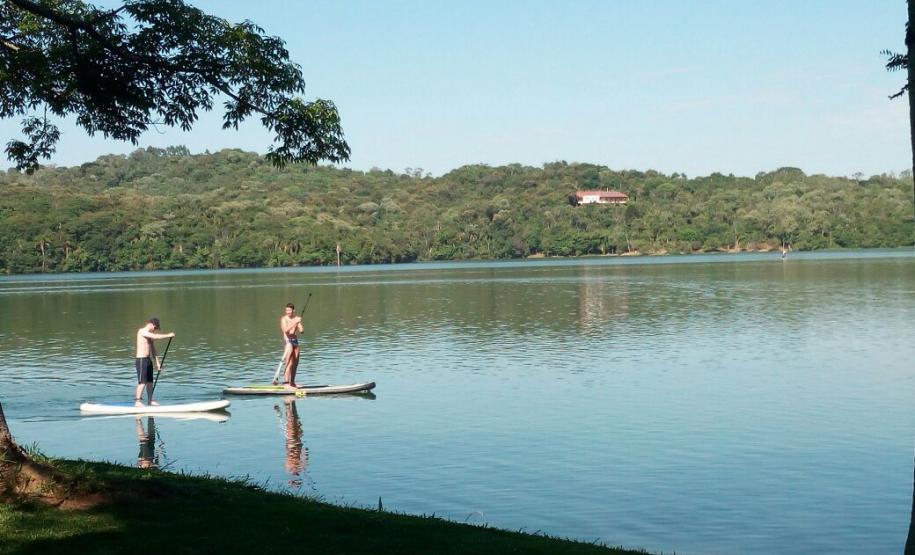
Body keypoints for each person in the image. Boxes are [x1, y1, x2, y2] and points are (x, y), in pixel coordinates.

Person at [135, 317, 175, 406]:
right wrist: (168, 335)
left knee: (150, 381)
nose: (155, 330)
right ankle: (137, 402)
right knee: (142, 382)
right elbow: (155, 337)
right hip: (141, 360)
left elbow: (153, 350)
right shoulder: (142, 331)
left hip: (148, 360)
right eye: (155, 328)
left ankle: (150, 400)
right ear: (152, 325)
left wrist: (158, 363)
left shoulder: (149, 335)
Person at [280, 303, 304, 388]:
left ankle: (292, 383)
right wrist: (295, 322)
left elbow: (301, 331)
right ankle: (286, 383)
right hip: (288, 342)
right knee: (289, 362)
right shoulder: (284, 319)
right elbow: (286, 330)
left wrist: (299, 323)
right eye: (286, 310)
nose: (287, 312)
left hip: (295, 341)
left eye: (289, 310)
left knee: (295, 362)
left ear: (293, 311)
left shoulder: (296, 319)